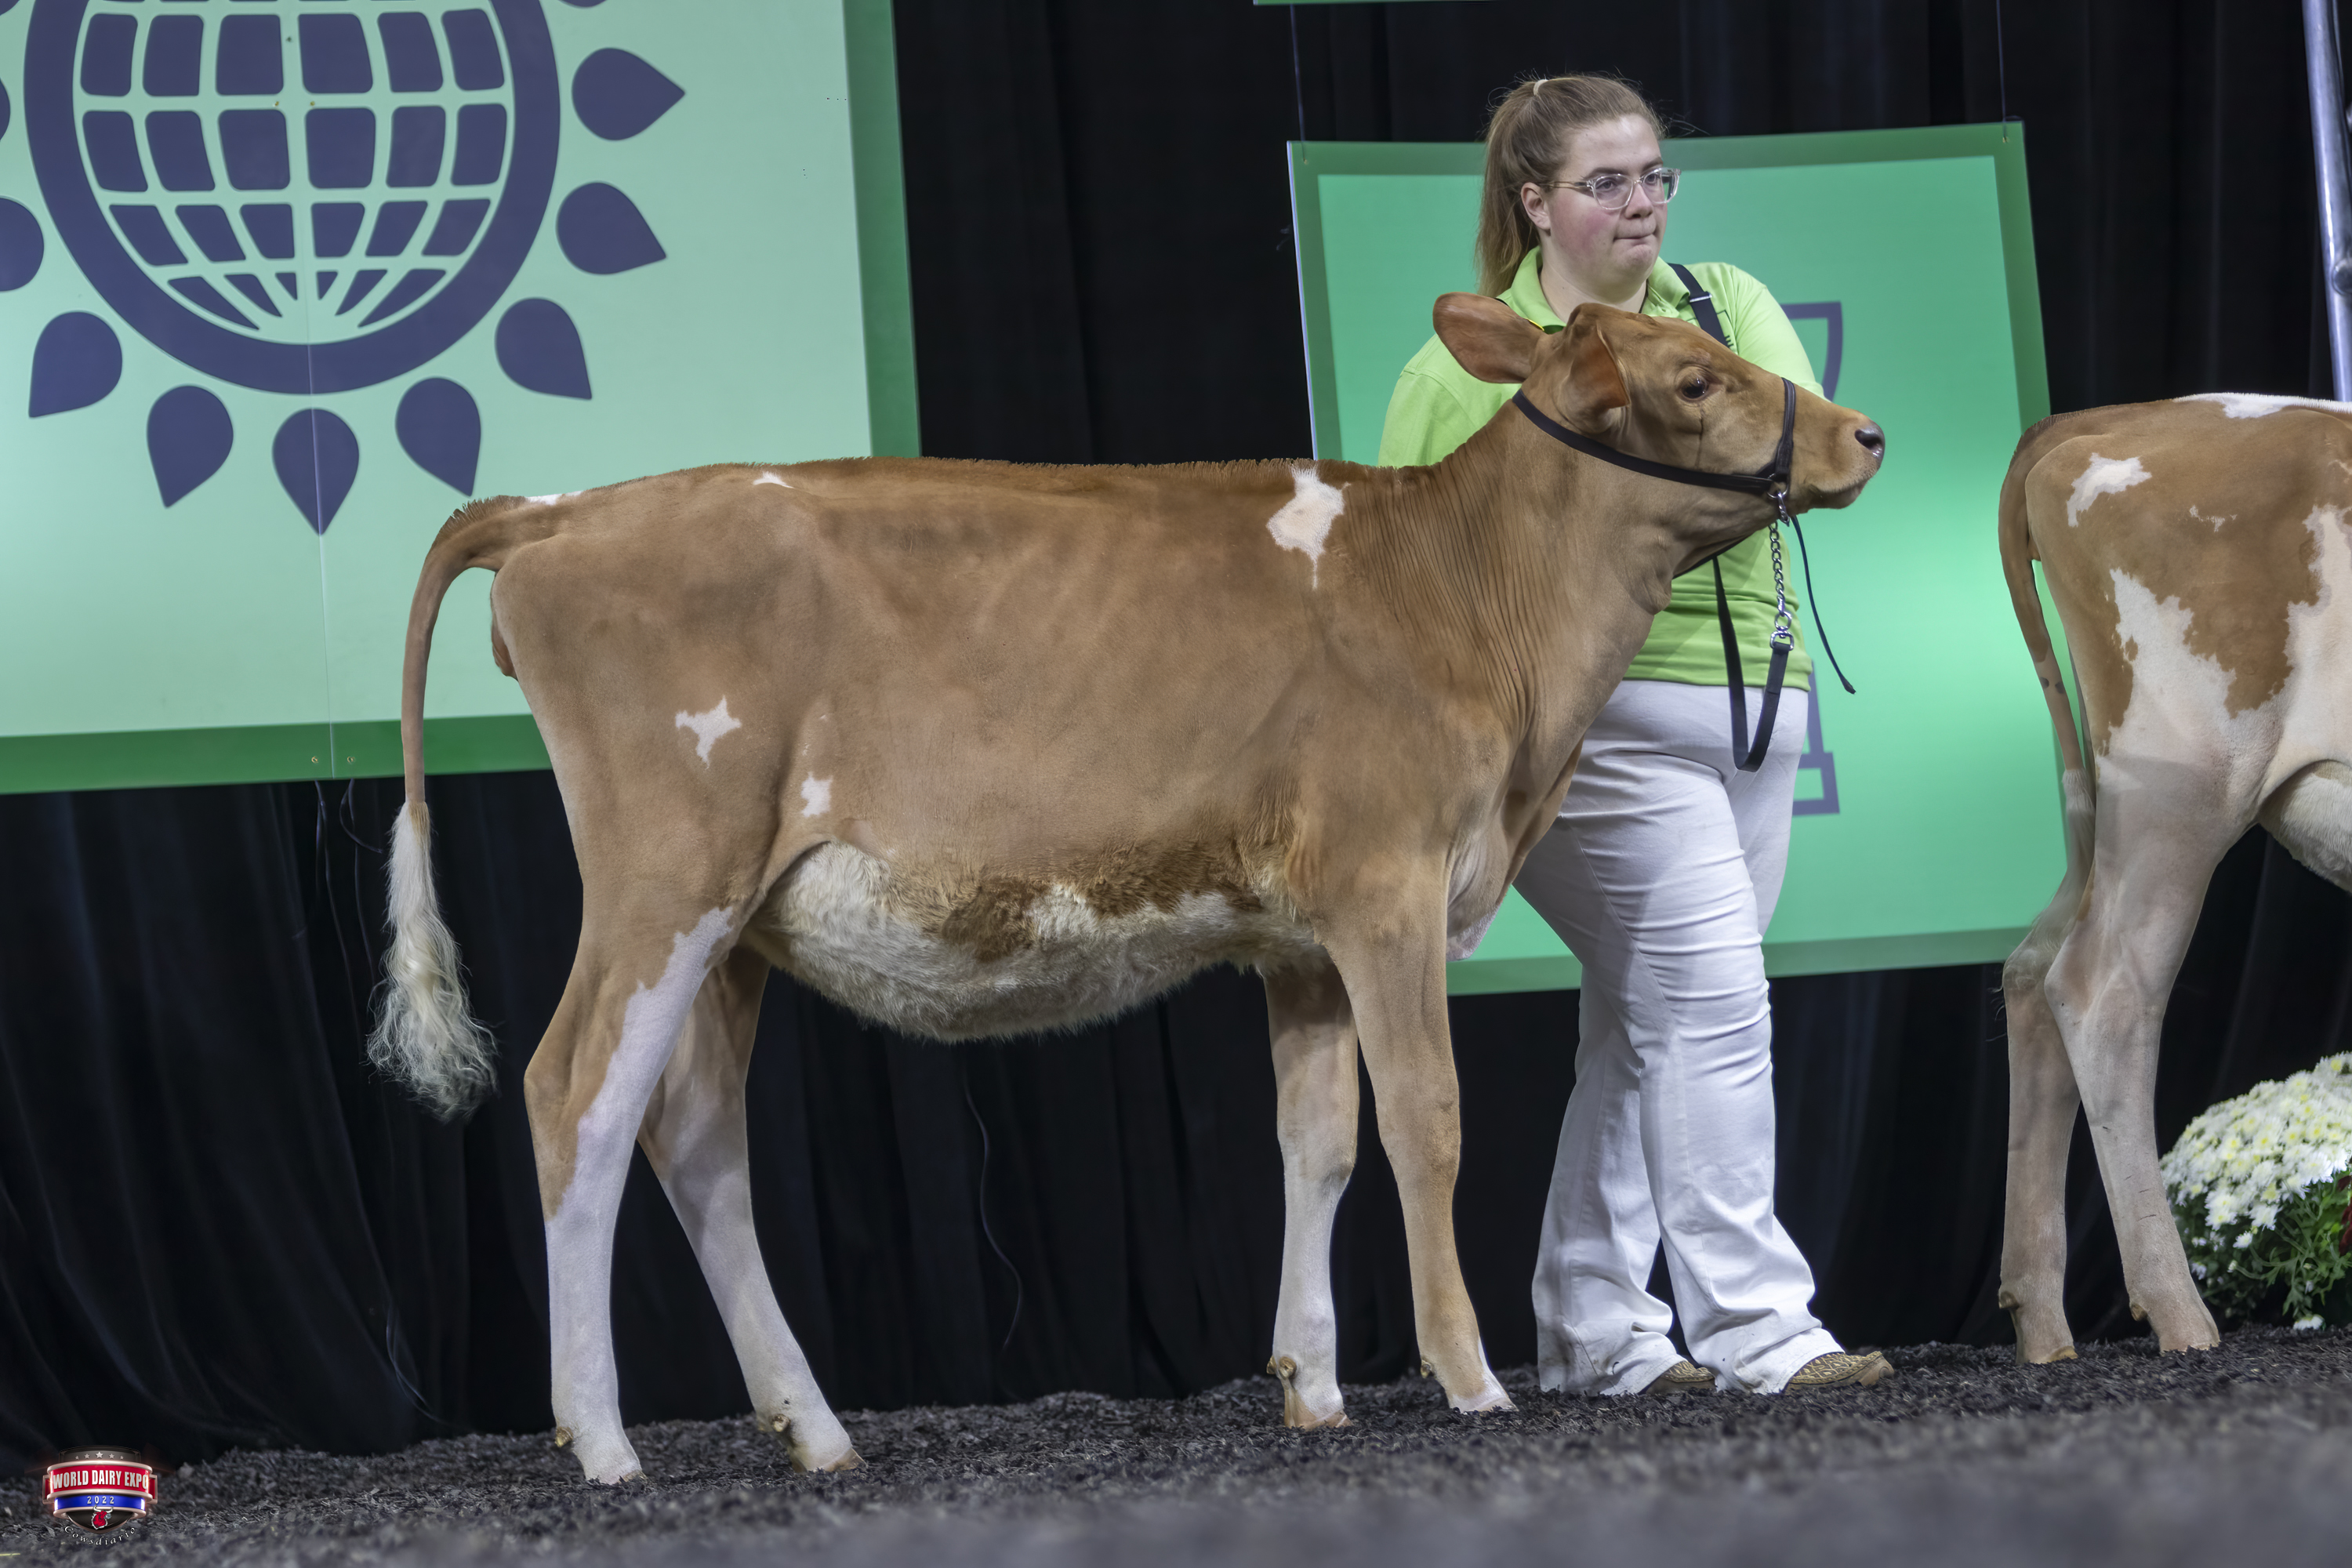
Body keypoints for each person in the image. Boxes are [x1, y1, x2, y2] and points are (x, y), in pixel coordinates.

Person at [1377, 74, 1890, 1398]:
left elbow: (1800, 461)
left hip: (1760, 707)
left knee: (1643, 1028)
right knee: (1710, 1012)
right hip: (1592, 731)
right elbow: (1407, 577)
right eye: (1605, 183)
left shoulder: (1725, 304)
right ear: (1534, 202)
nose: (1643, 203)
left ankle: (1594, 1324)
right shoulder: (1453, 373)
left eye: (1656, 175)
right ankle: (1763, 1330)